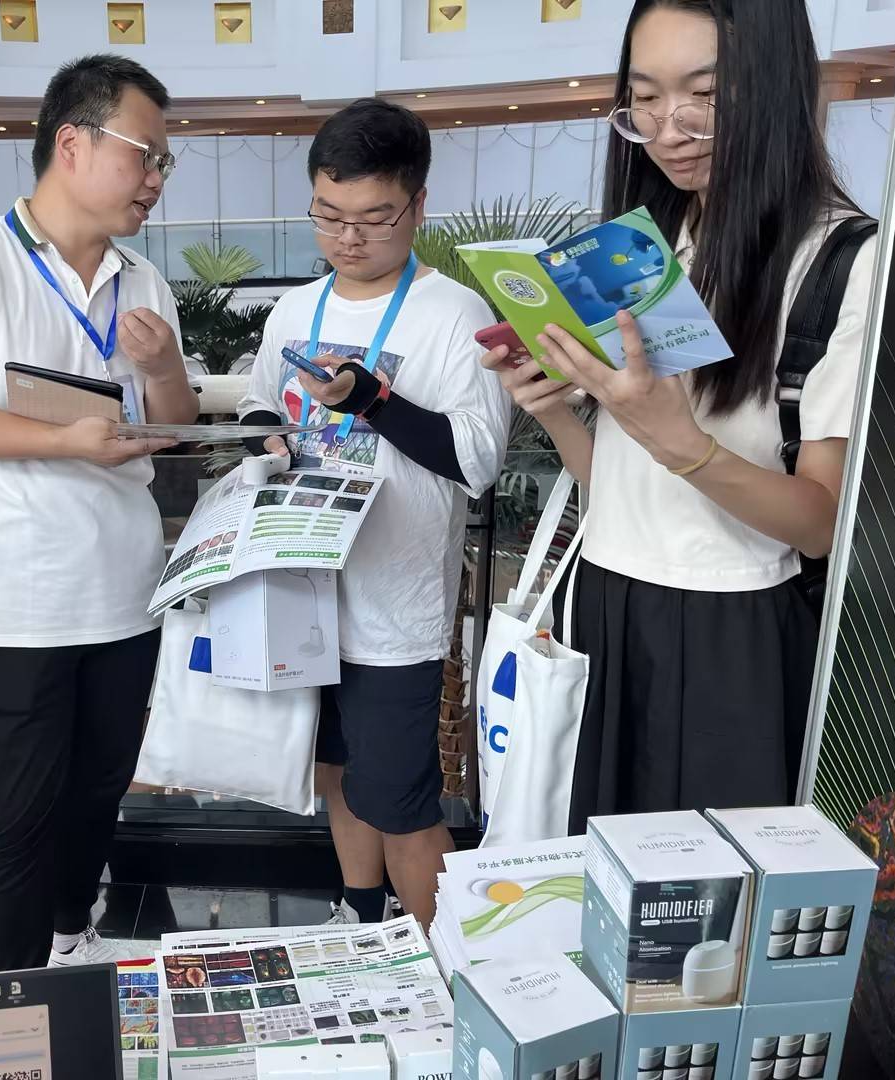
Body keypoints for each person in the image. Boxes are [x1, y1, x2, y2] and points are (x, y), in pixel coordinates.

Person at [483, 0, 876, 831]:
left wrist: (684, 445)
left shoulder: (843, 261)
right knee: (612, 895)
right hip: (613, 603)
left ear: (774, 87)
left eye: (707, 94)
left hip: (734, 626)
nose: (670, 129)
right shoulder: (651, 244)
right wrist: (558, 413)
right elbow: (625, 495)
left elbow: (819, 525)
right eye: (647, 99)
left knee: (709, 926)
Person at [0, 55, 196, 971]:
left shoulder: (143, 279)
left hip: (123, 591)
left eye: (162, 164)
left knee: (98, 795)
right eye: (146, 155)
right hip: (15, 602)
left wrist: (164, 372)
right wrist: (67, 441)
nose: (154, 180)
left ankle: (73, 940)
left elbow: (173, 429)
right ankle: (12, 1013)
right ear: (72, 142)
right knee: (16, 824)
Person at [240, 99, 511, 927]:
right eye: (328, 215)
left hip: (396, 611)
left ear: (418, 206)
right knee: (338, 776)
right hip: (303, 592)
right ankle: (360, 918)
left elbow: (477, 460)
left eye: (372, 218)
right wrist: (265, 441)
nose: (347, 237)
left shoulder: (454, 314)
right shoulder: (296, 307)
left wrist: (374, 399)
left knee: (401, 801)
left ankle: (442, 959)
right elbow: (261, 405)